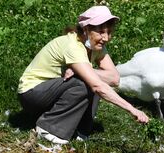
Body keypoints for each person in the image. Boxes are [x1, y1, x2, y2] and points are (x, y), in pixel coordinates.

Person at [17, 6, 149, 145]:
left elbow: (114, 78)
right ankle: (48, 130)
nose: (106, 38)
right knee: (86, 84)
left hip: (53, 93)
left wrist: (86, 70)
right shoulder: (73, 46)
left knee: (90, 79)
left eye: (109, 32)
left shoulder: (96, 46)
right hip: (32, 94)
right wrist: (132, 110)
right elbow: (98, 86)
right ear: (86, 30)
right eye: (100, 32)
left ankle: (81, 132)